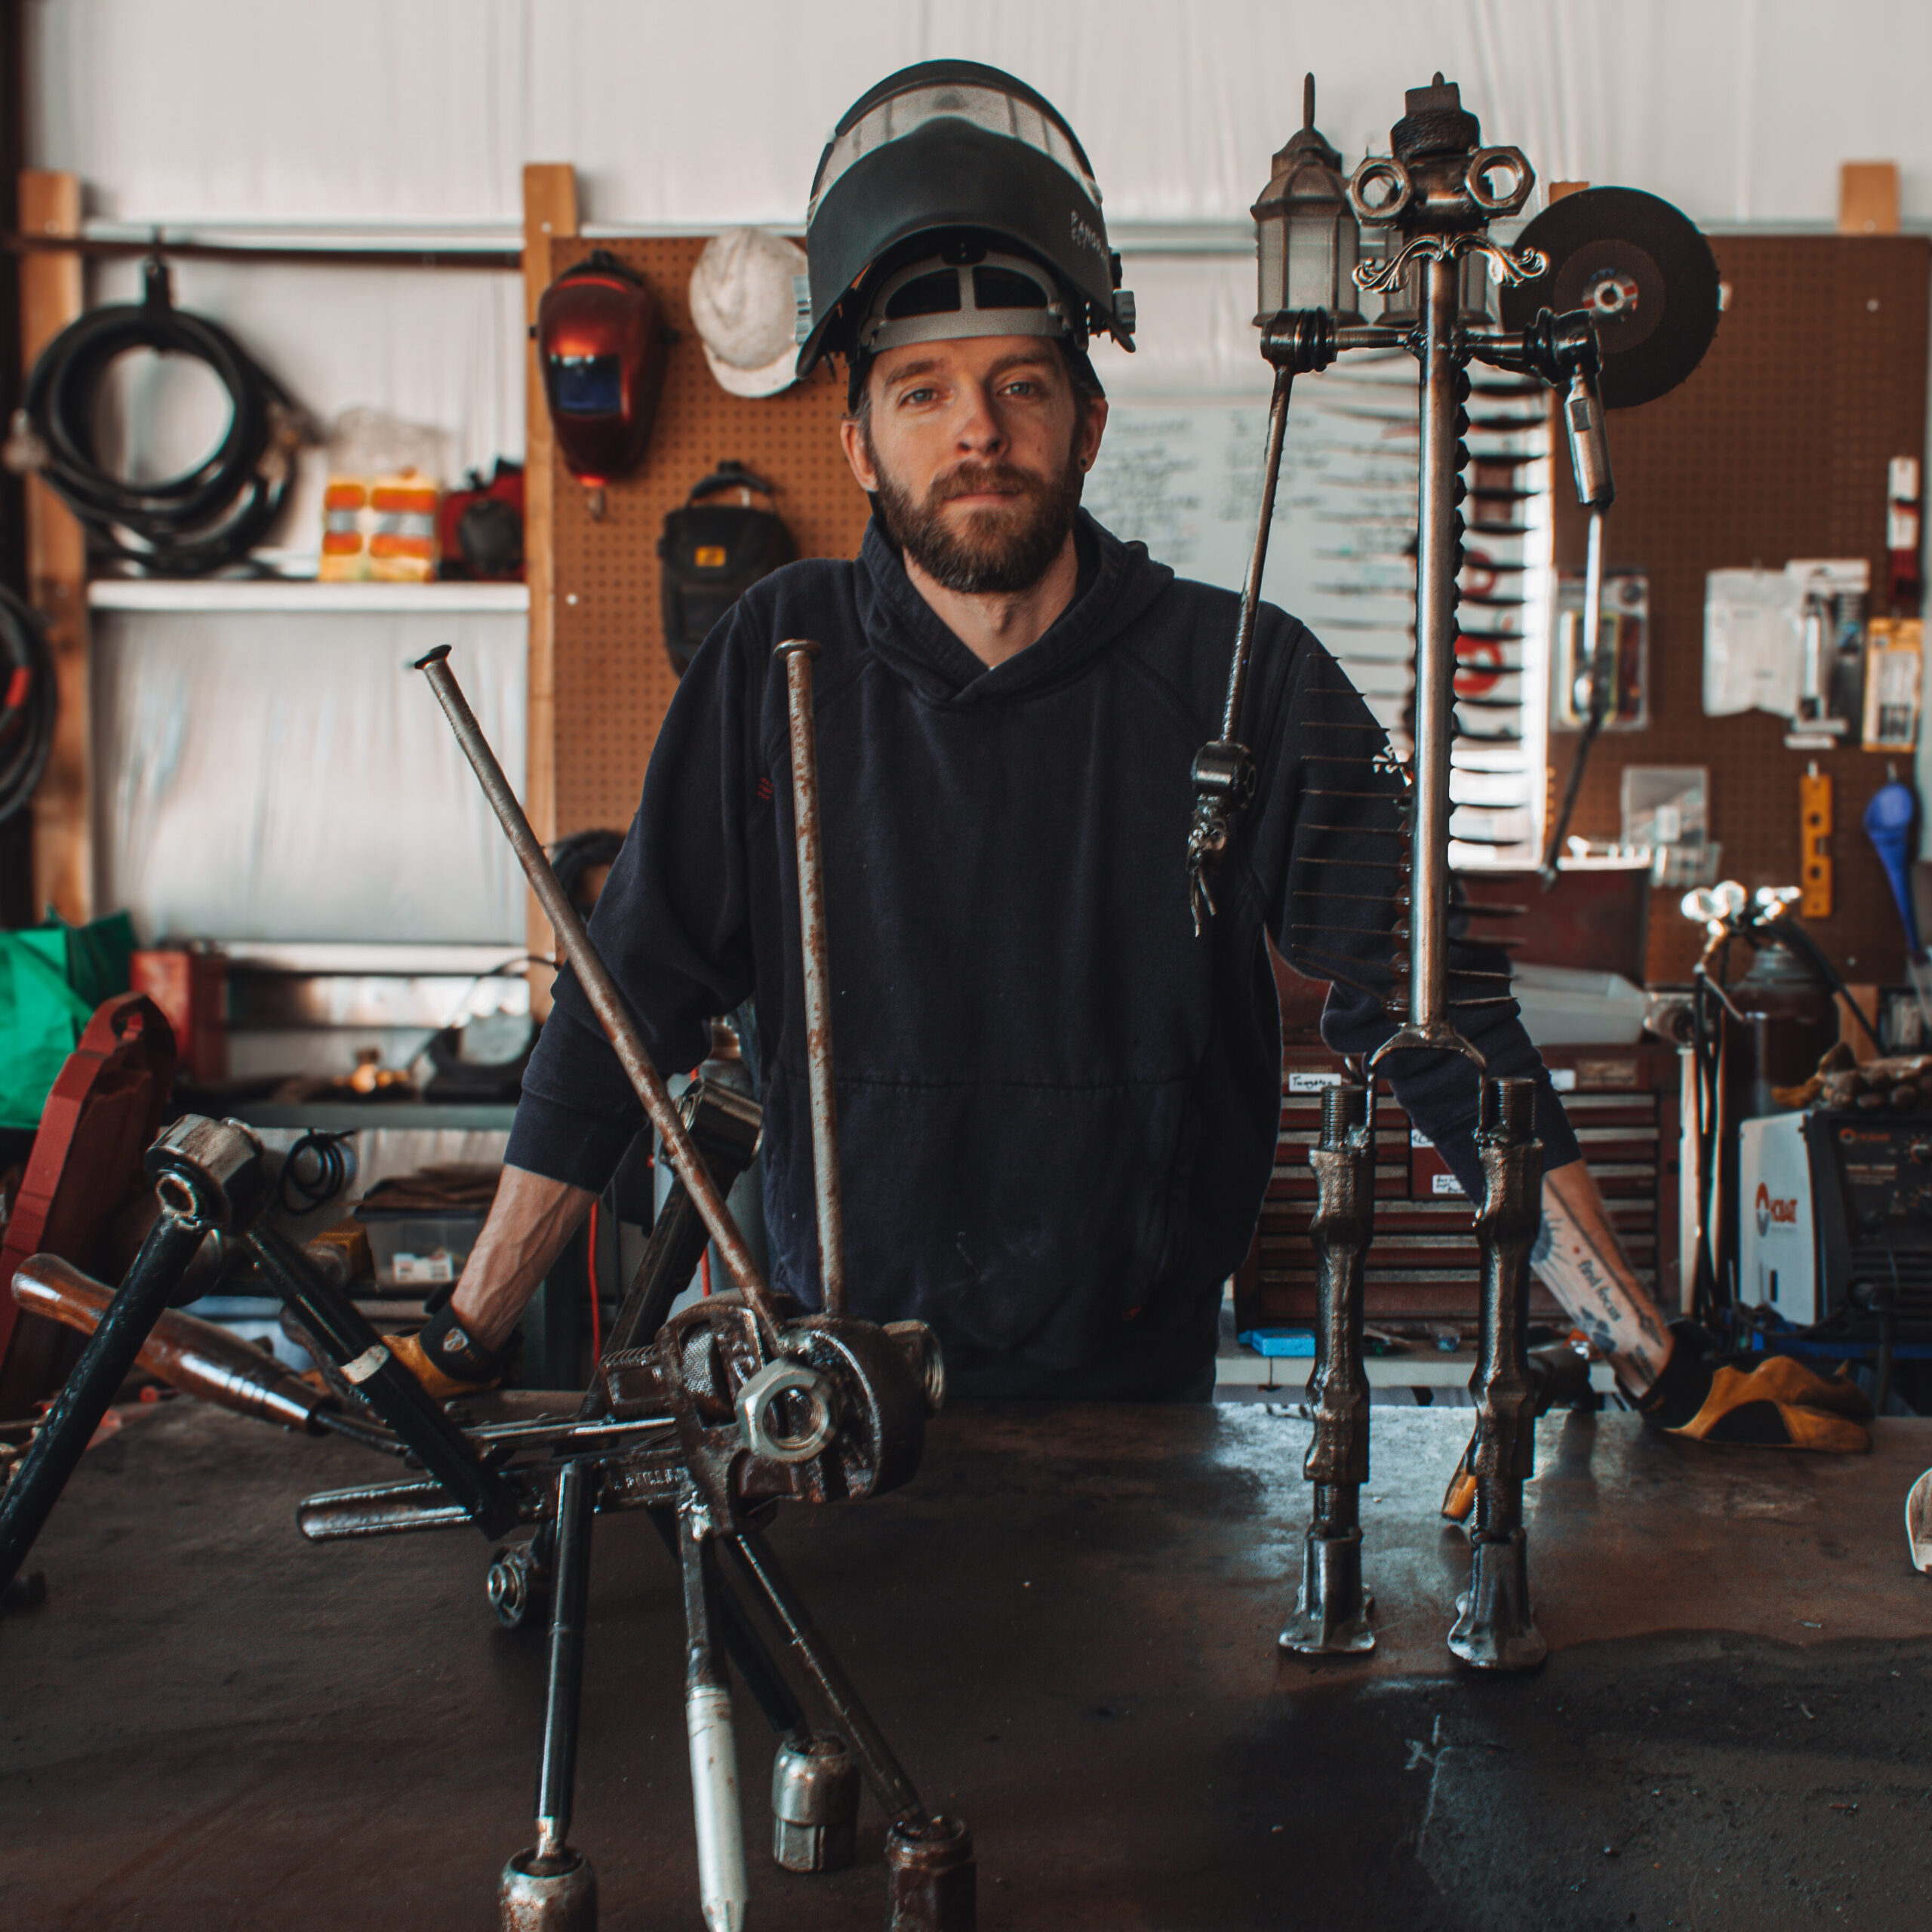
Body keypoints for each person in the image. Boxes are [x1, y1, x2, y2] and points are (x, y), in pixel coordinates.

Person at [389, 60, 1867, 1456]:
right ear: (857, 444)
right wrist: (463, 1338)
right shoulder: (774, 662)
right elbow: (624, 1009)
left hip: (1141, 1412)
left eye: (1020, 385)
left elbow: (1442, 1024)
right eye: (922, 390)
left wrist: (1649, 1354)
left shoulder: (1242, 673)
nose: (976, 432)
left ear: (1087, 421)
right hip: (832, 1398)